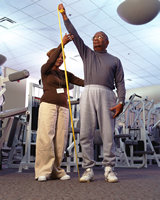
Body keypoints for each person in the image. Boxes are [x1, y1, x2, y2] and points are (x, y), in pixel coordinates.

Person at [58, 4, 126, 183]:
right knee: (86, 132)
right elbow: (75, 33)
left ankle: (109, 169)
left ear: (107, 42)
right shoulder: (87, 53)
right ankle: (88, 169)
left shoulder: (115, 60)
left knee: (108, 133)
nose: (96, 39)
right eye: (94, 37)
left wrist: (122, 101)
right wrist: (64, 15)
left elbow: (120, 83)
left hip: (107, 94)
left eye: (100, 37)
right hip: (88, 92)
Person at [35, 33, 84, 182]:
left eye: (63, 58)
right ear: (52, 56)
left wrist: (101, 80)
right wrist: (62, 44)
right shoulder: (46, 70)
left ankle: (56, 170)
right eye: (59, 57)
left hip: (63, 107)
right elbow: (50, 61)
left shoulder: (65, 74)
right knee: (46, 137)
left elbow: (82, 81)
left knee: (60, 140)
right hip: (48, 105)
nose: (61, 59)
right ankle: (43, 171)